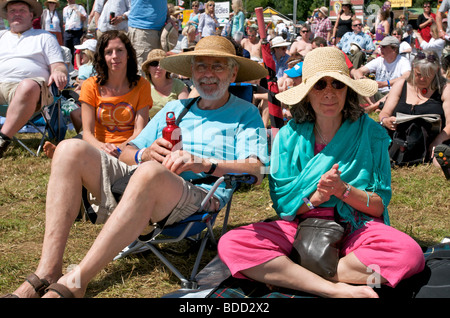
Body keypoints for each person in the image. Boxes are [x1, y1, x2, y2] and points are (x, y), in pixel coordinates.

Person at [2, 35, 268, 298]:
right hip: (142, 181)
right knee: (70, 149)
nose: (208, 74)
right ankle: (48, 270)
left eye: (218, 66)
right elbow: (127, 151)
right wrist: (145, 154)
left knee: (151, 173)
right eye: (201, 66)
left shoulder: (246, 113)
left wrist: (204, 164)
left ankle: (77, 279)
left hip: (198, 195)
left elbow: (255, 169)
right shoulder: (177, 108)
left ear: (233, 73)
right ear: (191, 72)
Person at [218, 47, 425, 298]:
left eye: (337, 84)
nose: (329, 93)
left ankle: (296, 273)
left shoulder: (371, 134)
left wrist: (343, 190)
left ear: (347, 89)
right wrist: (315, 199)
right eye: (319, 85)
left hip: (355, 228)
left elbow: (379, 206)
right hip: (299, 227)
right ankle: (332, 288)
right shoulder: (287, 136)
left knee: (409, 256)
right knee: (231, 244)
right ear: (307, 92)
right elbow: (284, 206)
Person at [44, 31, 150, 159]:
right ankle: (65, 152)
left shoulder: (142, 85)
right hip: (98, 146)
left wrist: (120, 147)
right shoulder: (91, 85)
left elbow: (140, 131)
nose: (115, 56)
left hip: (130, 146)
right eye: (109, 52)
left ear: (128, 54)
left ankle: (65, 154)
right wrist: (102, 147)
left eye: (120, 50)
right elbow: (87, 132)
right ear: (102, 57)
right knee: (73, 145)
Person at [0, 0, 68, 158]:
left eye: (22, 10)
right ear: (7, 16)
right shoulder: (1, 37)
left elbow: (59, 65)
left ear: (31, 15)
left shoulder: (44, 36)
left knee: (28, 85)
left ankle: (3, 139)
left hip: (31, 92)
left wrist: (58, 71)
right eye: (12, 10)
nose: (17, 13)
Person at [378, 50, 449, 164]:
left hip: (429, 139)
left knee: (439, 159)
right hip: (399, 137)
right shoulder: (401, 84)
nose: (422, 79)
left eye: (427, 75)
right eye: (418, 74)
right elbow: (384, 112)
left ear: (436, 71)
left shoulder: (445, 88)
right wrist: (385, 120)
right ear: (412, 68)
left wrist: (438, 141)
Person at [354, 36, 411, 101]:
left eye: (384, 47)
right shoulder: (379, 60)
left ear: (394, 49)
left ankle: (373, 107)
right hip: (378, 93)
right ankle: (373, 106)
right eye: (380, 46)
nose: (381, 49)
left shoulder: (403, 61)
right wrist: (363, 79)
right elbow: (358, 71)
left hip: (393, 94)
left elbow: (407, 76)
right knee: (359, 84)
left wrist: (385, 84)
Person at [141, 49, 188, 119]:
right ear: (148, 68)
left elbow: (186, 111)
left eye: (162, 64)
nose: (159, 67)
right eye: (154, 64)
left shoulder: (178, 85)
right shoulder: (143, 88)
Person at [127, 0, 171, 73]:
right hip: (143, 30)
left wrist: (168, 17)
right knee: (142, 72)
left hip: (160, 30)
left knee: (159, 72)